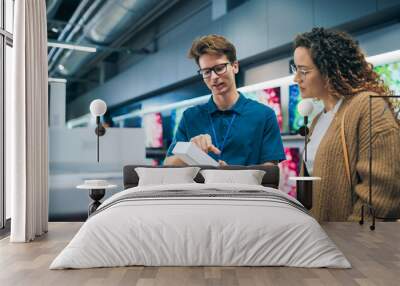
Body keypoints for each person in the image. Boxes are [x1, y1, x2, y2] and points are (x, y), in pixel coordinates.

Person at [292, 27, 400, 221]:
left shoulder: (368, 107)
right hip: (319, 240)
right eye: (295, 70)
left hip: (350, 244)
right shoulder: (318, 120)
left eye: (304, 71)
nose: (296, 78)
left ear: (330, 70)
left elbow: (382, 197)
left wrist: (348, 241)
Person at [164, 35, 285, 166]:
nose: (214, 77)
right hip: (200, 187)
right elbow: (168, 164)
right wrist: (189, 150)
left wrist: (234, 175)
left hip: (245, 187)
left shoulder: (264, 115)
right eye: (206, 72)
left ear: (235, 66)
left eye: (220, 68)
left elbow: (271, 172)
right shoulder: (190, 117)